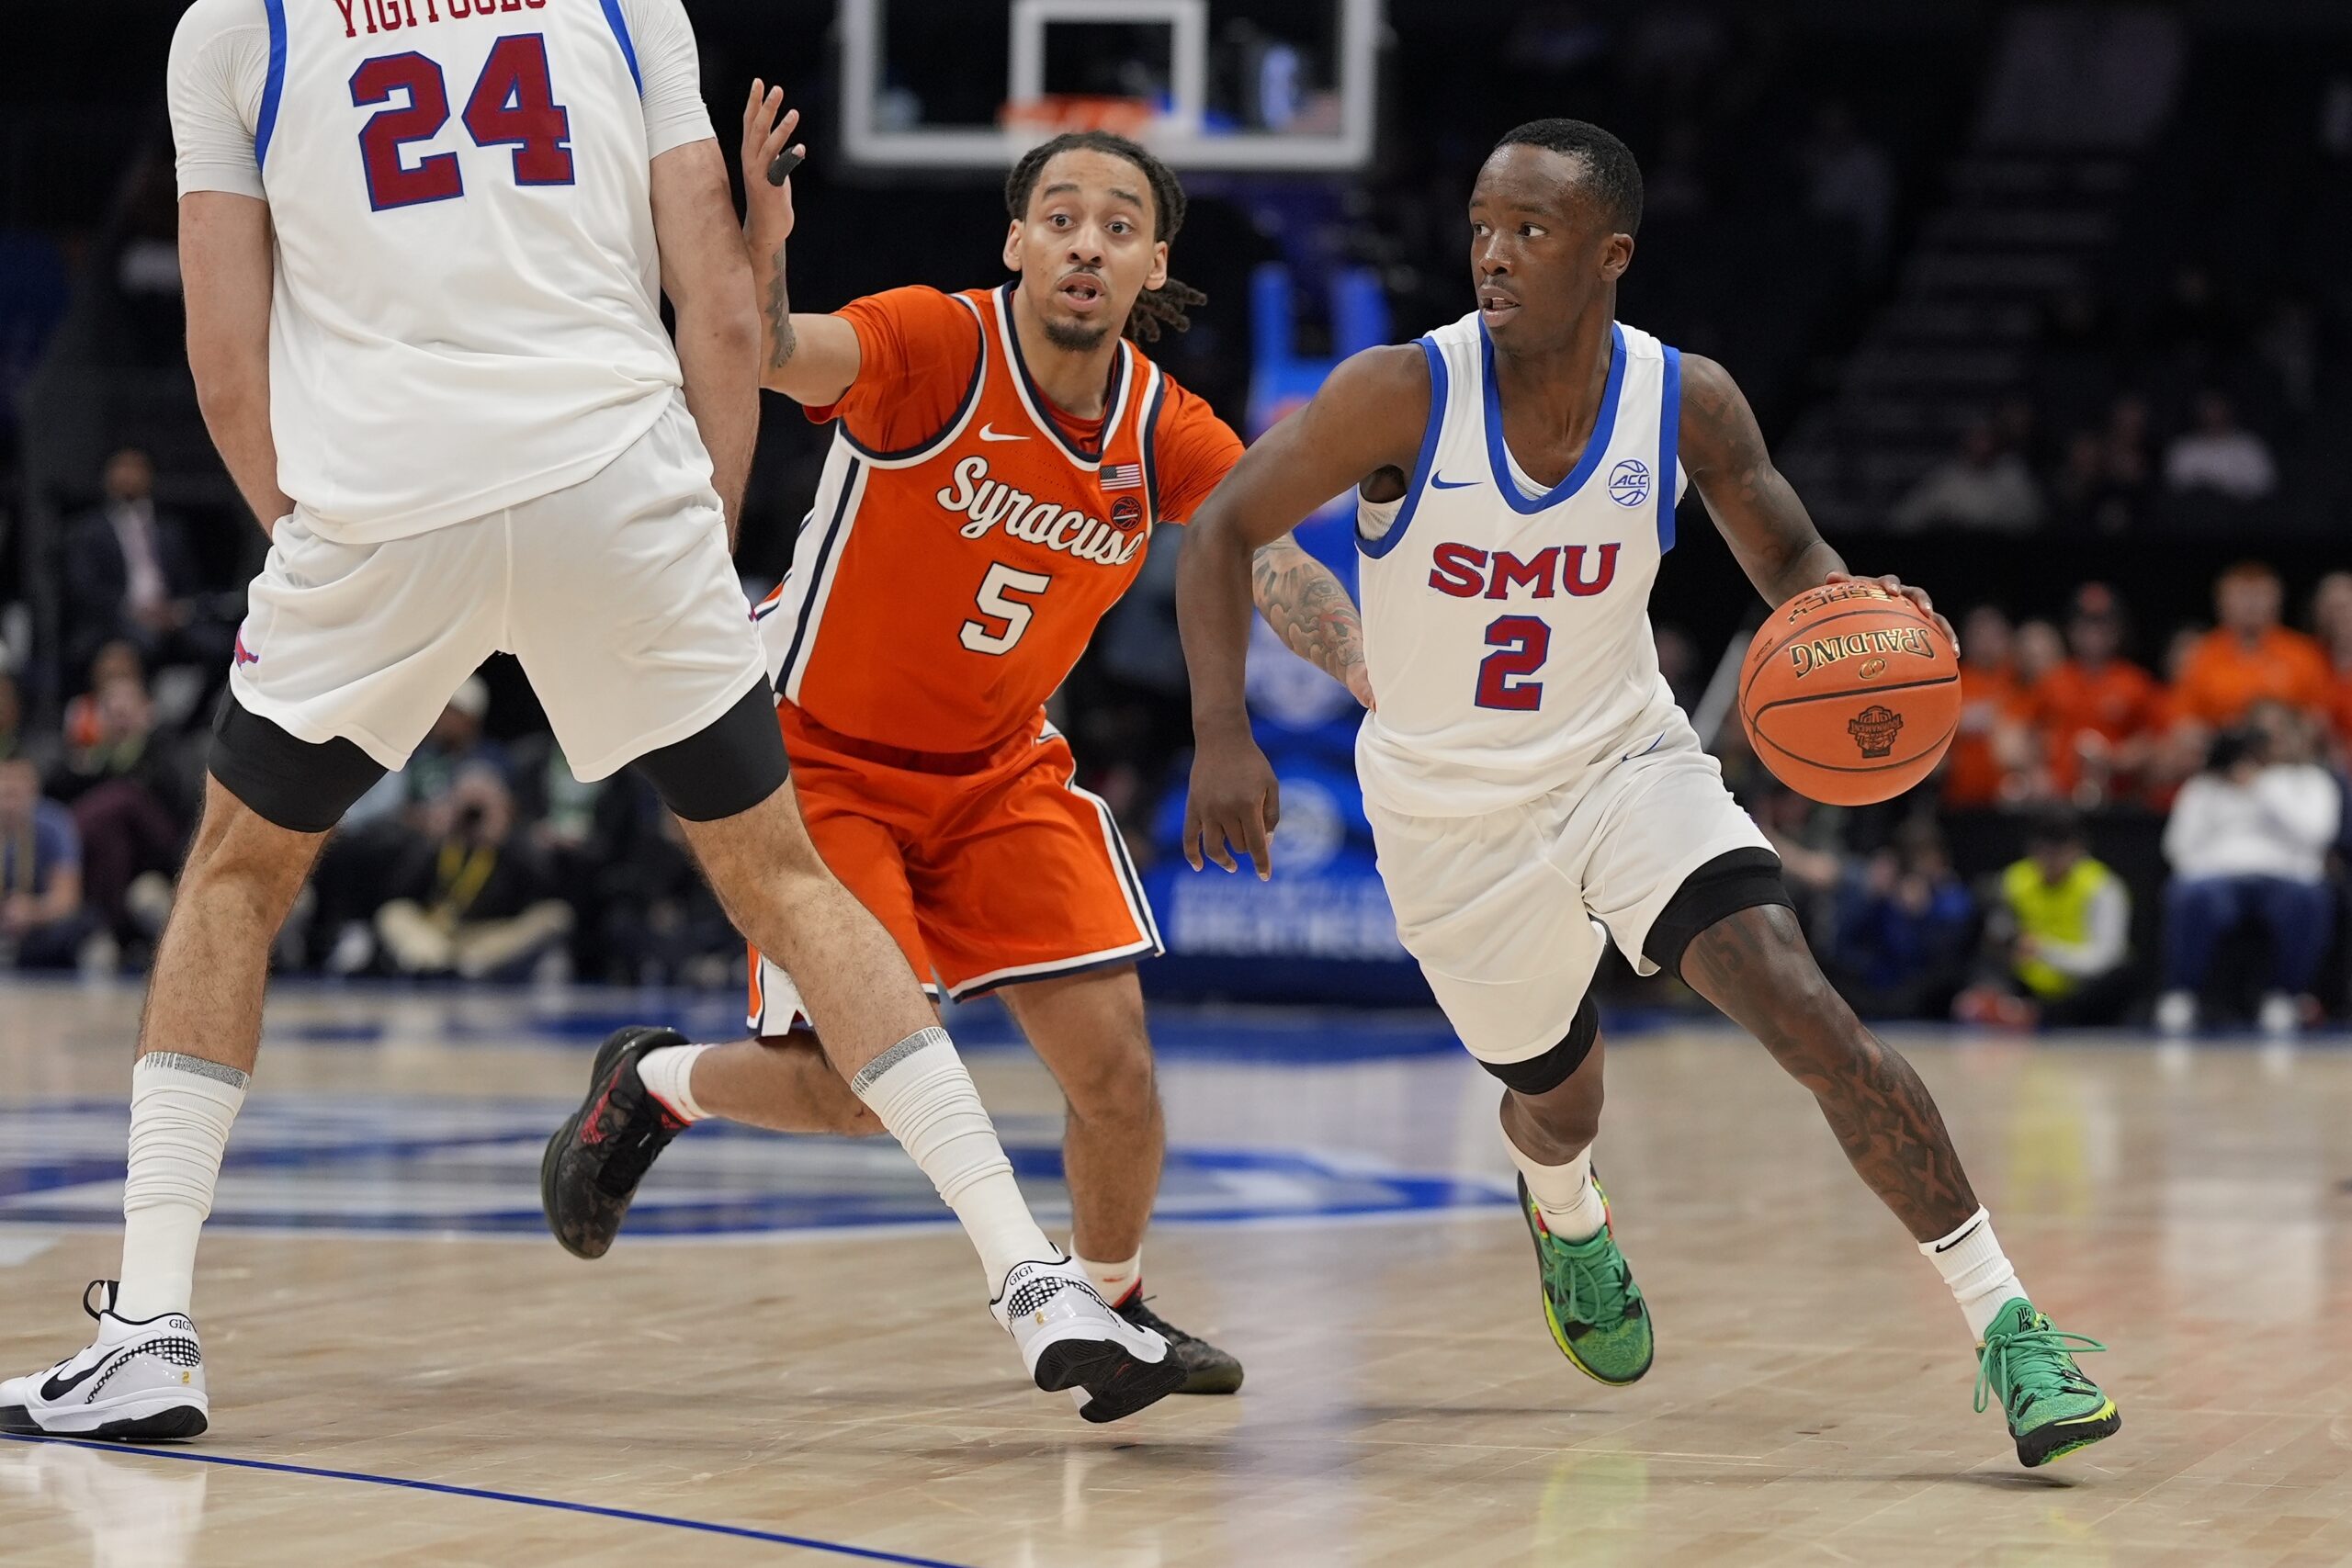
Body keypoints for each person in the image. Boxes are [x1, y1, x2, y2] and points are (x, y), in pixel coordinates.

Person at [2, 0, 1178, 1443]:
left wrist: (306, 545)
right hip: (616, 479)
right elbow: (724, 306)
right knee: (790, 882)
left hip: (385, 492)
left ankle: (153, 1331)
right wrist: (700, 520)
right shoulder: (622, 10)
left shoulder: (234, 28)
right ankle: (1035, 1281)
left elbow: (221, 351)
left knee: (236, 876)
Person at [1174, 119, 2117, 1469]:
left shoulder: (1687, 399)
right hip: (1448, 814)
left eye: (1531, 231)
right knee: (1560, 1099)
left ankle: (2010, 1324)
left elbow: (1785, 546)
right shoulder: (1401, 390)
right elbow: (1222, 527)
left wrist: (1858, 621)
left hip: (1624, 764)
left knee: (1808, 1012)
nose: (1495, 255)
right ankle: (1563, 1209)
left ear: (1610, 252)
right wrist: (1222, 731)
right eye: (1483, 226)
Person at [538, 91, 1371, 1397]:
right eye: (1061, 218)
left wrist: (1381, 680)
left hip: (994, 771)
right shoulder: (933, 341)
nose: (1086, 242)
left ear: (1156, 266)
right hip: (815, 756)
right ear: (1017, 245)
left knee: (1119, 1076)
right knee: (860, 1087)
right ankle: (660, 1079)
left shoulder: (1164, 426)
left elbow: (1269, 565)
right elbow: (761, 347)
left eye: (1118, 224)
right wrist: (765, 242)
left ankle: (1114, 1306)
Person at [2156, 707, 2341, 1038]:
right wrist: (2205, 868)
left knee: (2310, 899)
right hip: (2217, 877)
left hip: (2285, 878)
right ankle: (2182, 994)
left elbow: (2316, 835)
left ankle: (2283, 996)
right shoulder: (2205, 786)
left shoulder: (2310, 782)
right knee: (2188, 894)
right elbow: (2177, 846)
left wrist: (2263, 788)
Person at [1954, 808, 2132, 1029]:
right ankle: (2000, 1003)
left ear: (2078, 849)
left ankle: (2031, 1014)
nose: (2050, 860)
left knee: (2120, 976)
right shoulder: (2014, 880)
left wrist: (2045, 952)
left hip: (2078, 987)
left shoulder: (2103, 887)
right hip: (2027, 982)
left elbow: (2107, 956)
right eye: (2043, 851)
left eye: (2059, 851)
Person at [59, 448, 214, 682]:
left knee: (217, 644)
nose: (129, 476)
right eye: (122, 468)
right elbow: (84, 588)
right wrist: (133, 610)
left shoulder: (170, 529)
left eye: (136, 469)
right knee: (144, 642)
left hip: (168, 616)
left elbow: (189, 584)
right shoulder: (87, 530)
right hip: (114, 620)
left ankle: (197, 714)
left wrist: (175, 610)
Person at [2028, 585, 2163, 805]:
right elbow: (2032, 732)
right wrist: (2036, 772)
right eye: (2086, 625)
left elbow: (2152, 740)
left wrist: (2114, 759)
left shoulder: (2135, 682)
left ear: (2117, 631)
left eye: (2102, 626)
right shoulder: (2053, 680)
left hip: (2118, 800)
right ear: (2071, 630)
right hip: (2059, 800)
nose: (2094, 634)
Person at [2169, 562, 2331, 733]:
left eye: (2260, 595)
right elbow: (2183, 719)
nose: (2251, 604)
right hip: (2221, 750)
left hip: (2288, 752)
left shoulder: (2304, 653)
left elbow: (2319, 716)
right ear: (2221, 601)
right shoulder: (2201, 654)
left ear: (2278, 599)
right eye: (2242, 594)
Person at [0, 758, 96, 971]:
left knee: (75, 926)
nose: (9, 804)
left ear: (33, 792)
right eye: (5, 793)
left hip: (39, 924)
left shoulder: (55, 824)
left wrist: (33, 912)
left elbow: (67, 897)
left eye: (16, 794)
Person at [2161, 390, 2276, 503]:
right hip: (2197, 512)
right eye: (2209, 410)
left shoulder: (2249, 446)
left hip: (2241, 512)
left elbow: (2264, 484)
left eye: (2218, 409)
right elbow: (2176, 485)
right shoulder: (2184, 448)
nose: (2214, 416)